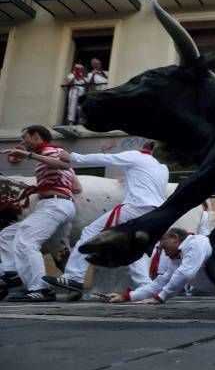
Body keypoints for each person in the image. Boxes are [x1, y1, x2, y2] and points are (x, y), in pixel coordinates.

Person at [43, 140, 169, 299]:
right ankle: (144, 286)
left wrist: (73, 157)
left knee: (91, 231)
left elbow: (107, 159)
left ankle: (74, 277)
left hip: (134, 207)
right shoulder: (162, 168)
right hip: (153, 212)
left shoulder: (137, 156)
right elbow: (146, 183)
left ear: (144, 148)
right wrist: (128, 178)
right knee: (135, 248)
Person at [0, 126, 79, 302]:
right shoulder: (51, 155)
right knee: (6, 235)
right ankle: (12, 272)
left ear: (36, 137)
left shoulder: (52, 151)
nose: (22, 142)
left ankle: (40, 289)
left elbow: (63, 164)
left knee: (26, 241)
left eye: (24, 137)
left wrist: (28, 155)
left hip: (54, 205)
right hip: (61, 205)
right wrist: (41, 187)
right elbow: (77, 188)